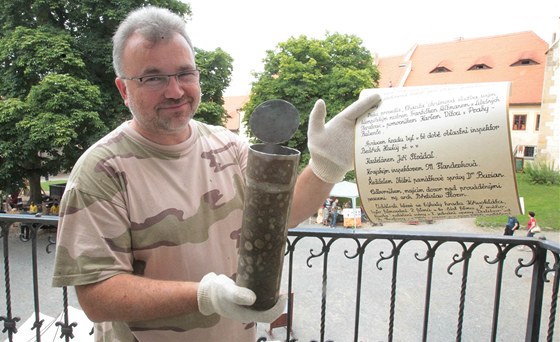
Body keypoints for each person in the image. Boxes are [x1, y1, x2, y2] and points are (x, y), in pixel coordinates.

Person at [51, 6, 381, 342]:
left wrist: (326, 165)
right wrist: (204, 296)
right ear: (124, 90)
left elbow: (282, 214)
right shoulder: (101, 171)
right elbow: (97, 297)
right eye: (153, 78)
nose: (175, 90)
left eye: (184, 73)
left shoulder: (228, 145)